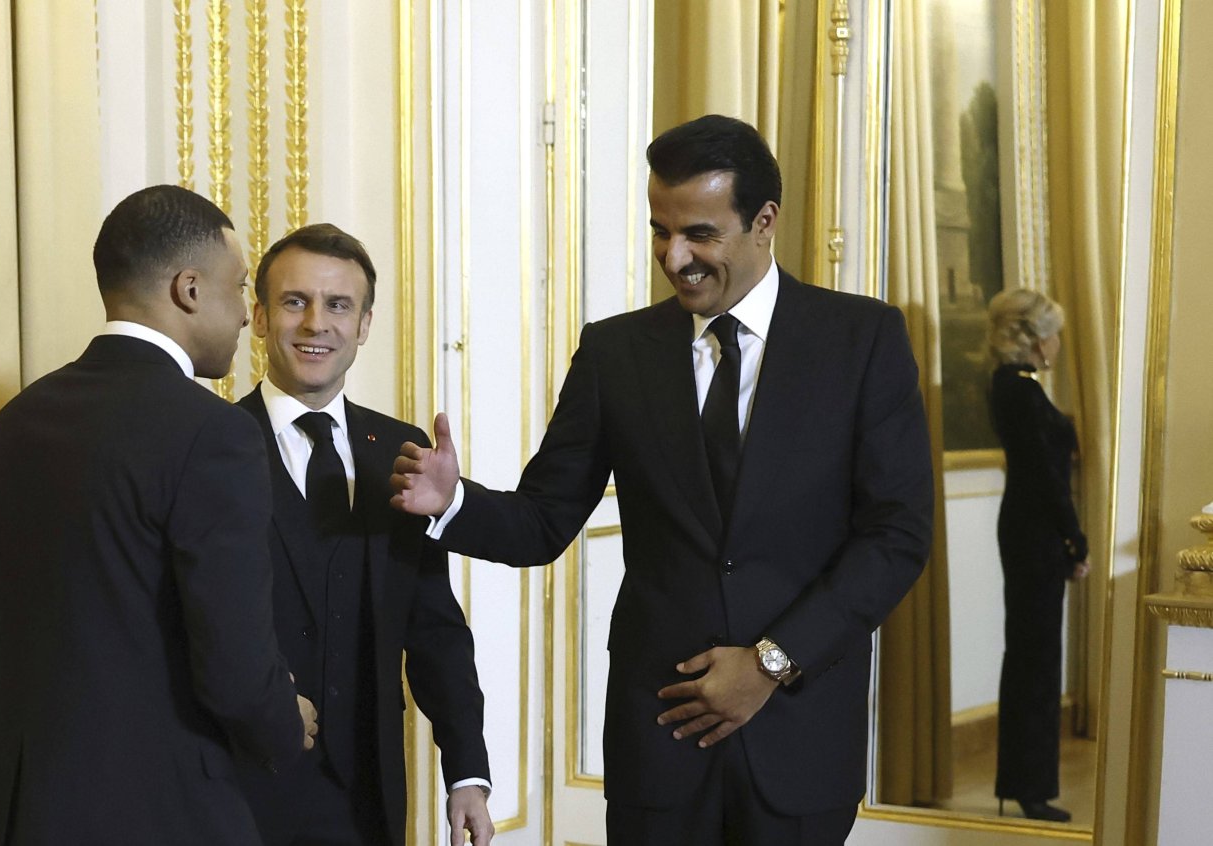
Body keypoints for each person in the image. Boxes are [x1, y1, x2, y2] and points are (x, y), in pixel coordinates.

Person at [391, 114, 934, 844]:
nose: (674, 258)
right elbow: (544, 519)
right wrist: (452, 502)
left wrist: (770, 663)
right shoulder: (615, 352)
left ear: (764, 222)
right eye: (660, 232)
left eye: (699, 234)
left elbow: (896, 536)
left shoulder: (863, 340)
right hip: (659, 744)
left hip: (799, 737)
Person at [0, 185, 318, 845]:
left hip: (26, 811)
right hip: (164, 813)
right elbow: (235, 662)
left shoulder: (10, 424)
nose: (246, 317)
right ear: (189, 289)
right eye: (239, 288)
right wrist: (284, 721)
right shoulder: (214, 433)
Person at [234, 223, 493, 846]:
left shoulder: (402, 453)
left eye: (338, 305)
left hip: (369, 796)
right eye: (295, 301)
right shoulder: (211, 447)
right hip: (241, 791)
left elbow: (434, 628)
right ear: (260, 317)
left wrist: (466, 773)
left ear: (365, 324)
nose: (316, 323)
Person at [986, 289, 1089, 823]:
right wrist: (1075, 538)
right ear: (1037, 339)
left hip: (1028, 531)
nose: (1059, 344)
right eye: (1055, 334)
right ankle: (1030, 788)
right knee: (1037, 661)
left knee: (1029, 657)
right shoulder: (1021, 391)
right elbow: (1047, 478)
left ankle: (1023, 784)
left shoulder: (1013, 386)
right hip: (1036, 535)